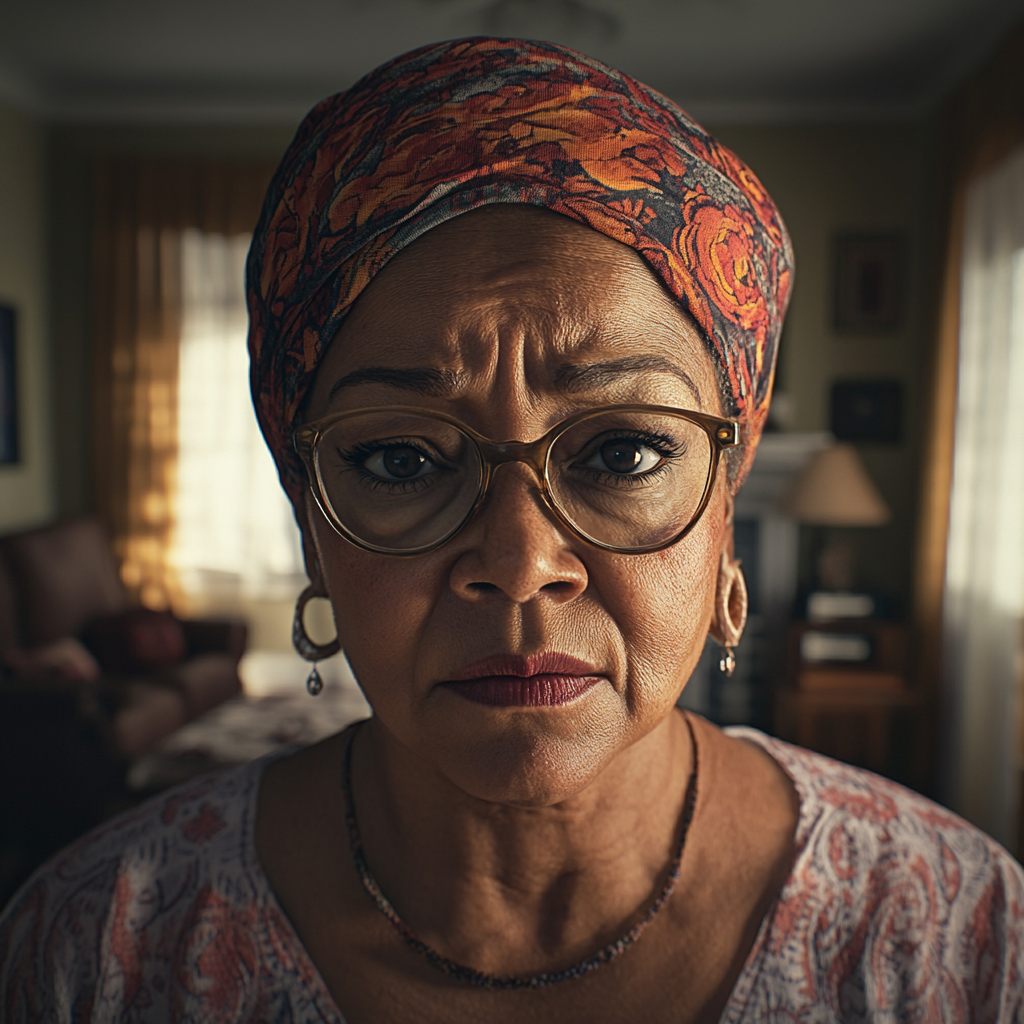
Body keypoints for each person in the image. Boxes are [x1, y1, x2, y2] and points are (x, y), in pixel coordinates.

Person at [2, 37, 1022, 1024]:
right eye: (400, 458)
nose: (520, 563)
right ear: (313, 523)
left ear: (724, 507)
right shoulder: (99, 949)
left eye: (622, 451)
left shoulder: (955, 938)